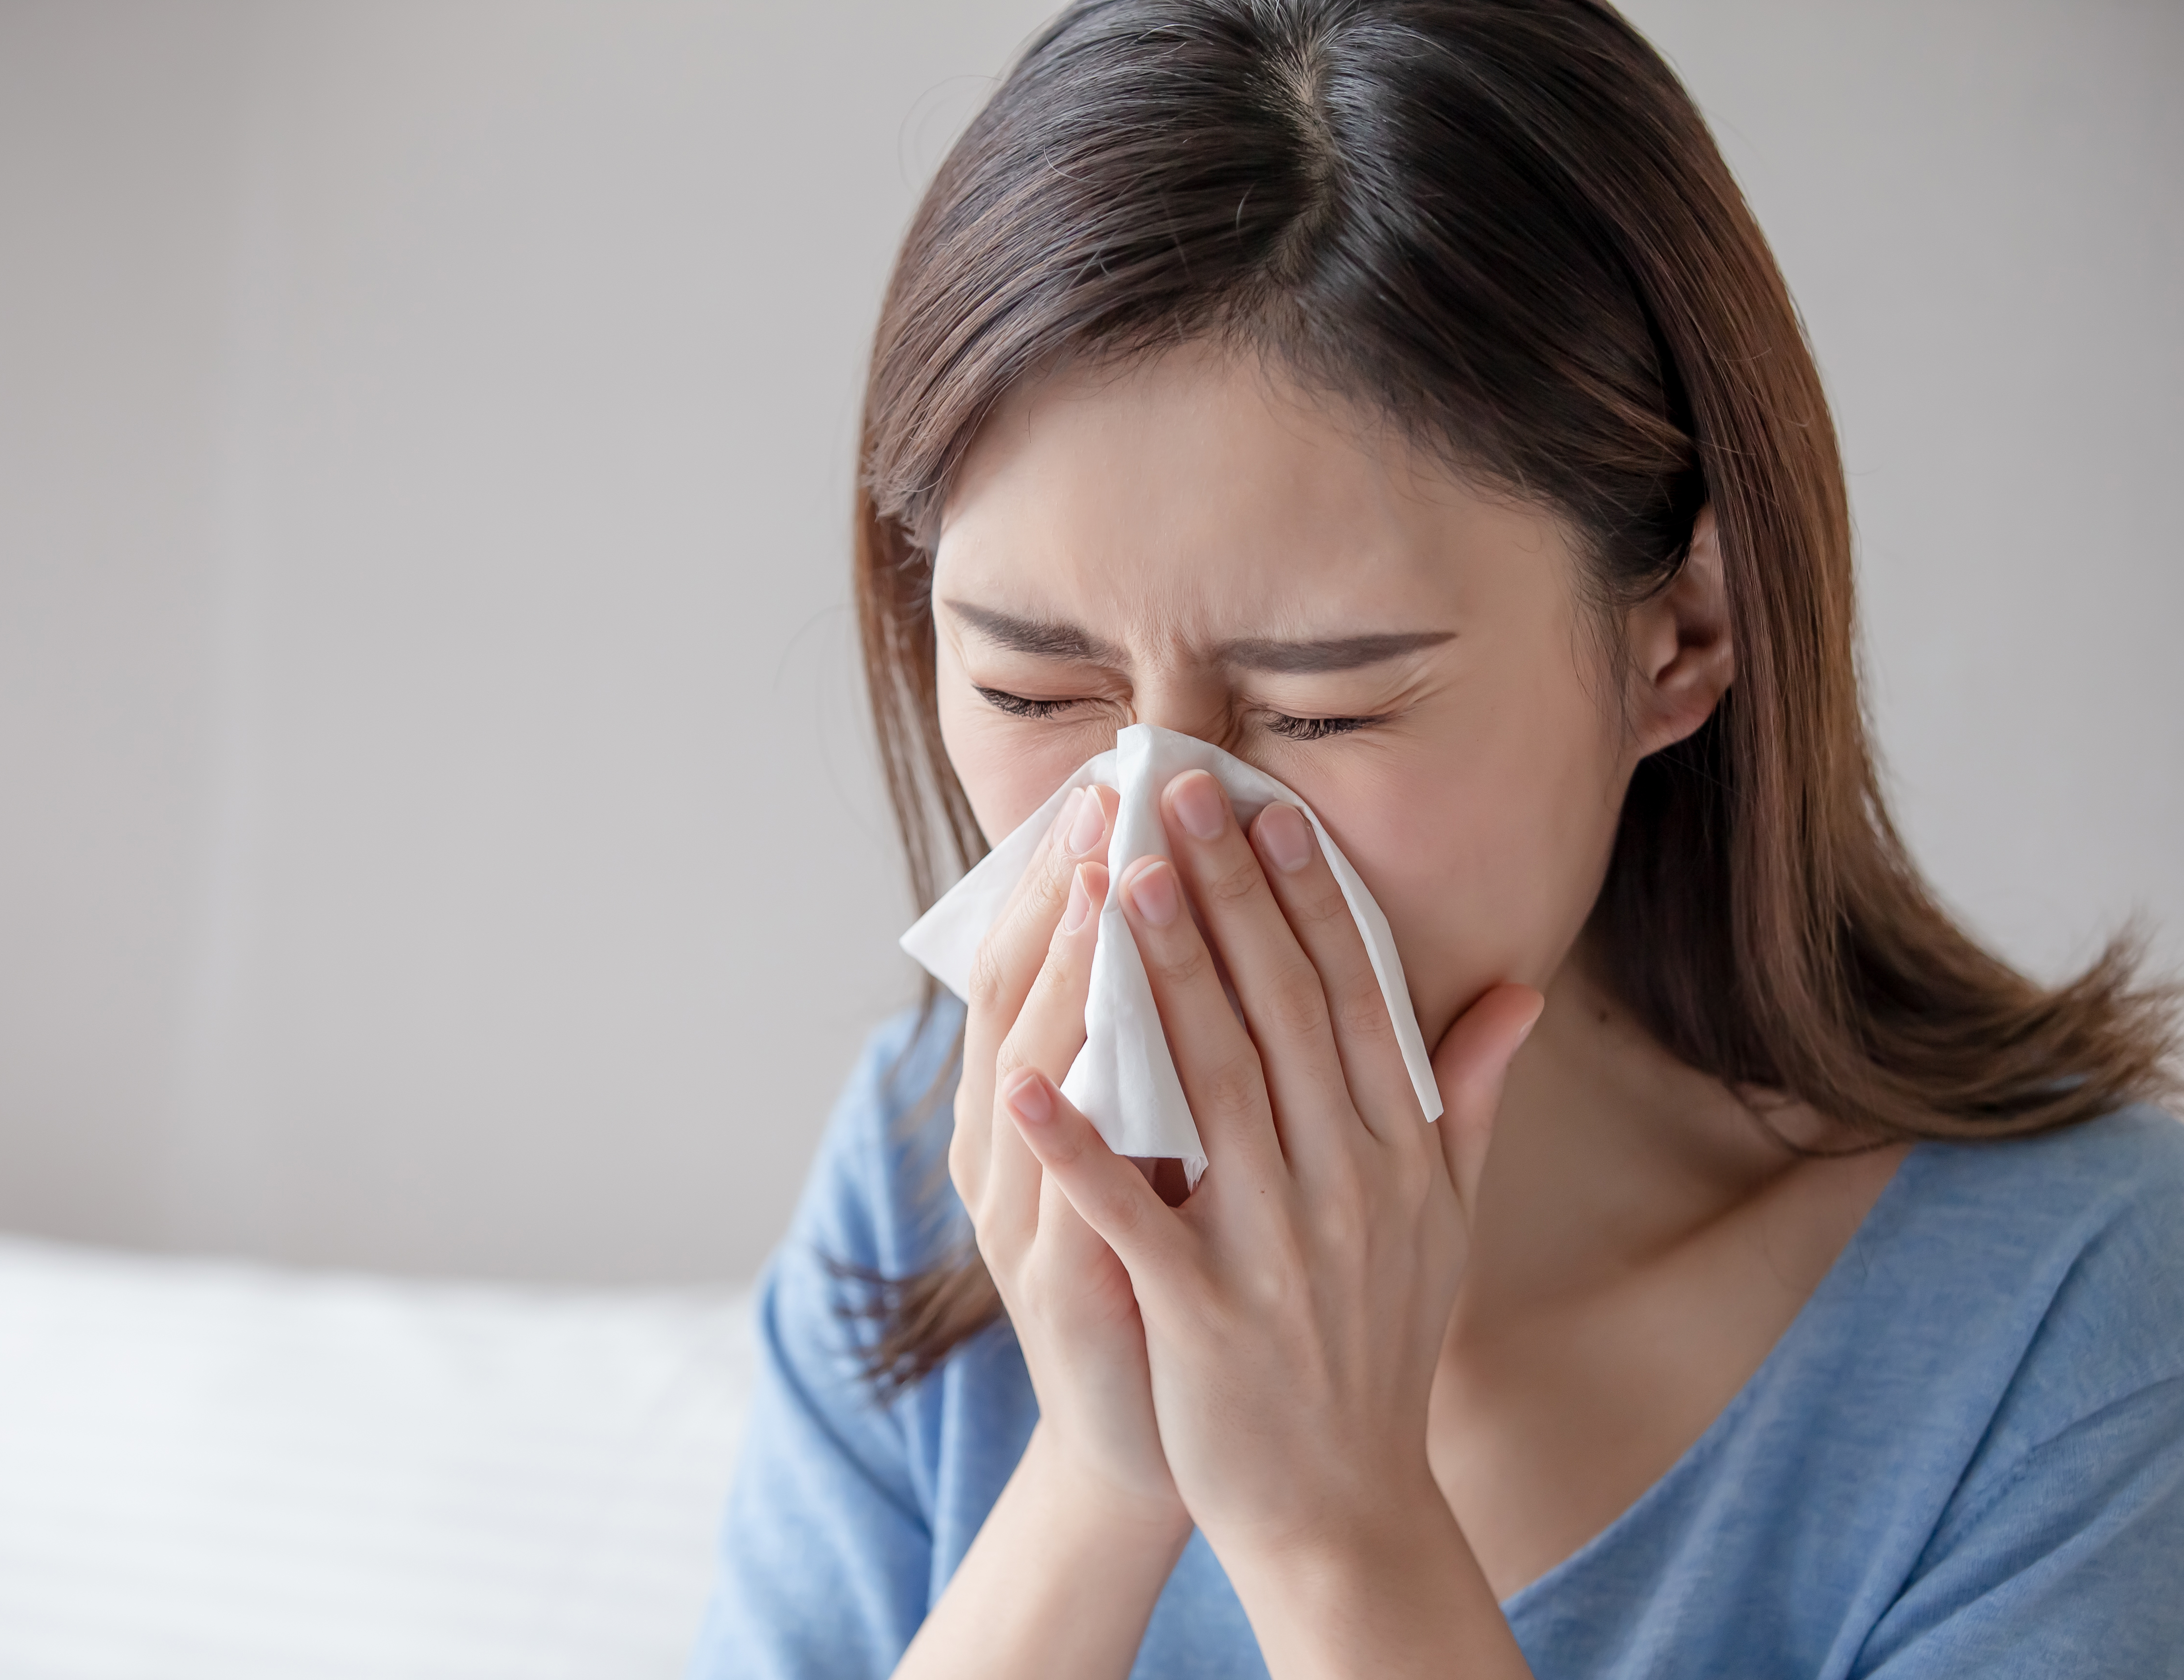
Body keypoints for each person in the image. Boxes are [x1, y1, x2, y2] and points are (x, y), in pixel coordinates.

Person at [686, 1, 2184, 1675]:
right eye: (1036, 686)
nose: (1164, 855)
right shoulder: (920, 1185)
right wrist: (1103, 1484)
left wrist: (1337, 1524)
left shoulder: (2078, 1333)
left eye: (1324, 714)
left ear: (1676, 635)